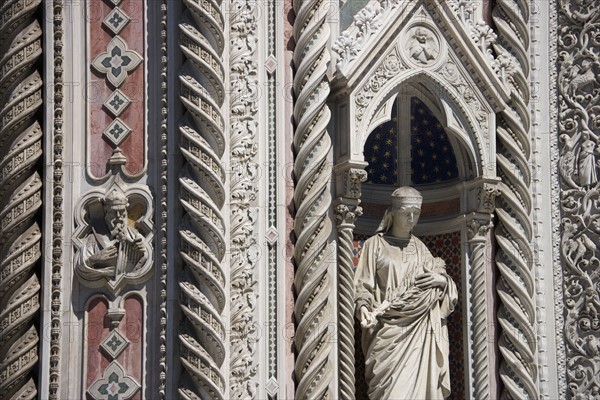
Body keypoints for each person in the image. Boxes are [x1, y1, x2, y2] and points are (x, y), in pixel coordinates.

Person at [354, 186, 458, 399]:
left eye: (416, 213)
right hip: (386, 334)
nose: (411, 218)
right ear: (392, 213)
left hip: (419, 334)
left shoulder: (422, 250)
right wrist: (363, 307)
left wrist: (442, 281)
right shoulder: (375, 245)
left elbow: (443, 292)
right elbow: (361, 285)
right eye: (406, 213)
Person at [77, 187, 147, 281]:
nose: (118, 216)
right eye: (114, 212)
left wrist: (143, 252)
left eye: (122, 212)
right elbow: (82, 268)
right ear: (105, 213)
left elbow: (147, 257)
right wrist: (94, 259)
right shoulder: (93, 239)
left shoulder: (135, 235)